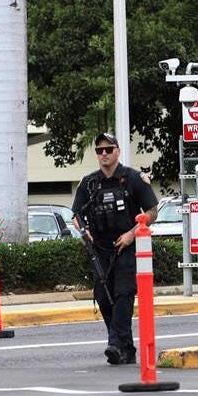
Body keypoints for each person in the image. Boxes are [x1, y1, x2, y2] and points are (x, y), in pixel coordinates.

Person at [72, 132, 158, 365]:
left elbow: (152, 210)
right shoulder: (89, 183)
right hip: (99, 249)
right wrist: (84, 232)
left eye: (108, 149)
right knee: (104, 297)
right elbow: (76, 215)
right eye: (100, 151)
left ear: (117, 151)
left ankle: (115, 343)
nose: (104, 154)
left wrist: (132, 234)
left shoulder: (133, 179)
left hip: (126, 247)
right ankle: (125, 348)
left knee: (123, 294)